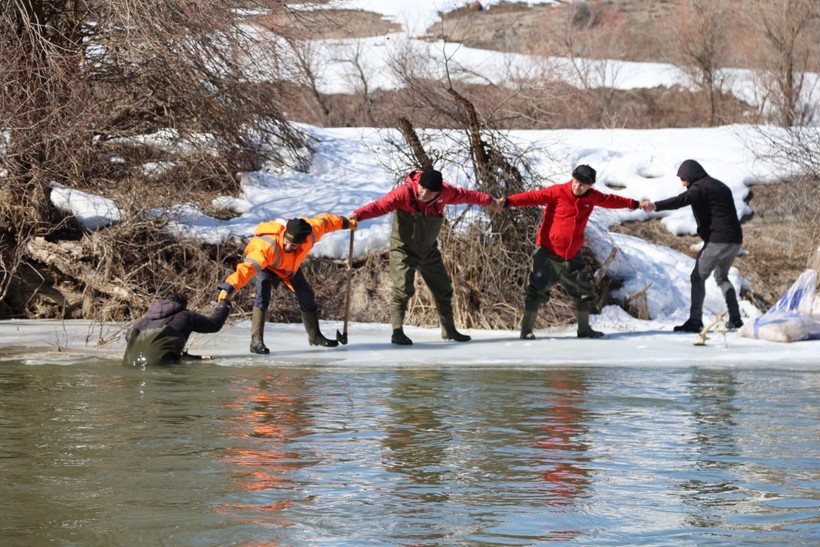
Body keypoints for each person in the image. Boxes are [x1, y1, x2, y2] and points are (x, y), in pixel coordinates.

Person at [349, 168, 499, 345]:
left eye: (430, 192)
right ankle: (397, 332)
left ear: (438, 192)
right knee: (403, 288)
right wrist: (356, 216)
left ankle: (449, 330)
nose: (424, 193)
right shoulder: (403, 193)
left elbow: (467, 195)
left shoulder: (446, 193)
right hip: (403, 249)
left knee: (443, 289)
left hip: (428, 251)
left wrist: (490, 201)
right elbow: (380, 206)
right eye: (422, 188)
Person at [498, 164, 639, 339]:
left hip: (572, 254)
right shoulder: (558, 191)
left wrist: (634, 204)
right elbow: (532, 197)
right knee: (536, 291)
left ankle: (584, 329)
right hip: (547, 252)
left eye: (583, 185)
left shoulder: (592, 197)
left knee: (584, 292)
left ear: (590, 186)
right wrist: (508, 201)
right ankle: (526, 331)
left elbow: (611, 200)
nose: (577, 186)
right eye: (576, 181)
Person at [217, 214, 355, 353]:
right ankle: (256, 342)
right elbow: (245, 270)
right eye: (287, 241)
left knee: (306, 295)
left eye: (294, 245)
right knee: (263, 295)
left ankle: (315, 337)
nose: (289, 246)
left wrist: (346, 223)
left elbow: (326, 222)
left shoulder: (310, 232)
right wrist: (228, 287)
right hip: (265, 267)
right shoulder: (266, 246)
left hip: (288, 268)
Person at [640, 159, 743, 332]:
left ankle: (695, 321)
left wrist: (655, 206)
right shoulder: (719, 185)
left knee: (697, 277)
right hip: (735, 241)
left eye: (684, 178)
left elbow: (681, 200)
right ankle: (736, 318)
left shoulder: (700, 187)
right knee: (722, 277)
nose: (682, 183)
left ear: (692, 175)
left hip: (718, 240)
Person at [122, 292, 232, 366]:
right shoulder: (184, 315)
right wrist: (225, 303)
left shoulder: (144, 321)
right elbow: (214, 324)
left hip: (129, 364)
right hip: (159, 367)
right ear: (182, 306)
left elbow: (128, 337)